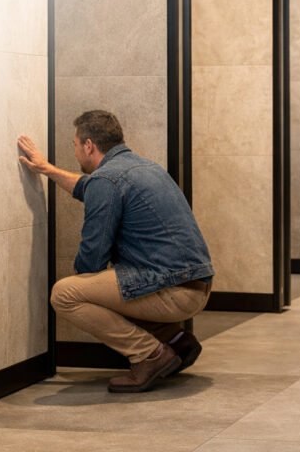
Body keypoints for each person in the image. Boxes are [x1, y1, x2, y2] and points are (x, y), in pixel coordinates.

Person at [17, 110, 214, 392]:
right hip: (195, 286)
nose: (74, 152)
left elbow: (93, 257)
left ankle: (151, 355)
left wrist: (84, 280)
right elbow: (87, 186)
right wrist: (46, 169)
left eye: (74, 145)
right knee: (115, 284)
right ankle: (174, 340)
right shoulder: (144, 167)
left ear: (88, 145)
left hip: (173, 292)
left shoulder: (106, 180)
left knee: (66, 294)